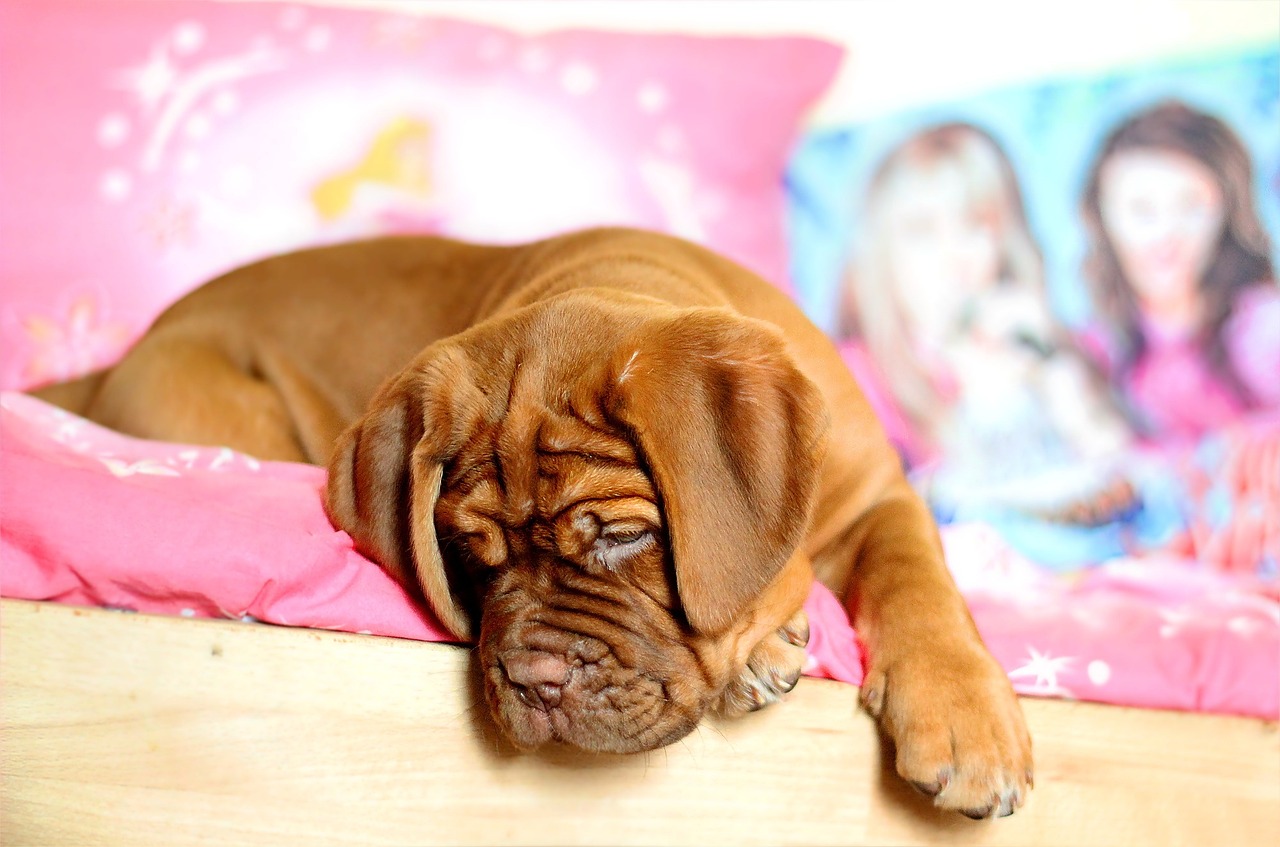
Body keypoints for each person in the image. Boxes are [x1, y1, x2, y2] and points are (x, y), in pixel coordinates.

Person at [838, 123, 1148, 568]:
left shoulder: (1056, 345)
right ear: (882, 252)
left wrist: (1049, 364)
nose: (952, 256)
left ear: (1005, 238)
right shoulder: (860, 377)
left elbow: (1123, 477)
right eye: (922, 232)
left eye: (974, 227)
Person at [1080, 100, 1280, 443]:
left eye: (1191, 206)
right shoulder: (1095, 351)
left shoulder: (1262, 329)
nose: (1167, 234)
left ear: (1227, 212)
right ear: (1102, 219)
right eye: (1142, 210)